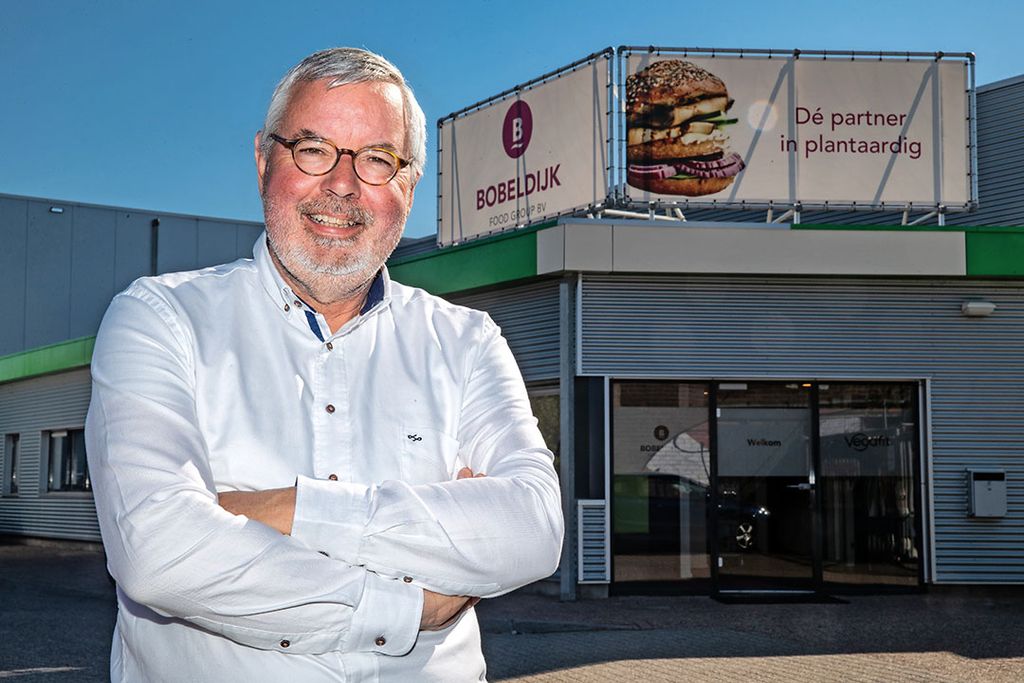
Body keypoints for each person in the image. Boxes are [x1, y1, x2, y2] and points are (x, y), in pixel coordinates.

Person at [84, 47, 563, 682]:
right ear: (263, 161)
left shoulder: (467, 340)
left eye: (376, 159)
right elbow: (158, 551)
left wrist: (289, 509)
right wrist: (406, 601)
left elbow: (533, 529)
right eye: (313, 149)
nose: (342, 184)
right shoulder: (159, 319)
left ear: (409, 186)